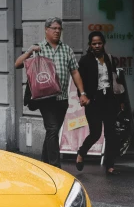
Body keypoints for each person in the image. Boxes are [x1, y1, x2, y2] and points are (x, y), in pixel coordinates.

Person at [15, 17, 85, 169]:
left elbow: (75, 72)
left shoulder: (67, 49)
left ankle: (43, 164)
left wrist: (82, 92)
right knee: (52, 129)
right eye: (54, 28)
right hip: (45, 98)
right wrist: (29, 51)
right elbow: (17, 64)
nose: (57, 31)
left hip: (62, 98)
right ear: (46, 30)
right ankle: (55, 167)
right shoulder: (38, 47)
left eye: (59, 29)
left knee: (52, 132)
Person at [74, 31, 126, 176]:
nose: (97, 46)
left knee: (111, 134)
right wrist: (83, 96)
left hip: (109, 100)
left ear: (103, 44)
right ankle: (81, 153)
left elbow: (115, 80)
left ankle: (110, 166)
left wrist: (120, 101)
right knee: (96, 133)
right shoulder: (85, 61)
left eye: (99, 43)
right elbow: (79, 81)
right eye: (94, 43)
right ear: (90, 45)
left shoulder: (109, 59)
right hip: (94, 101)